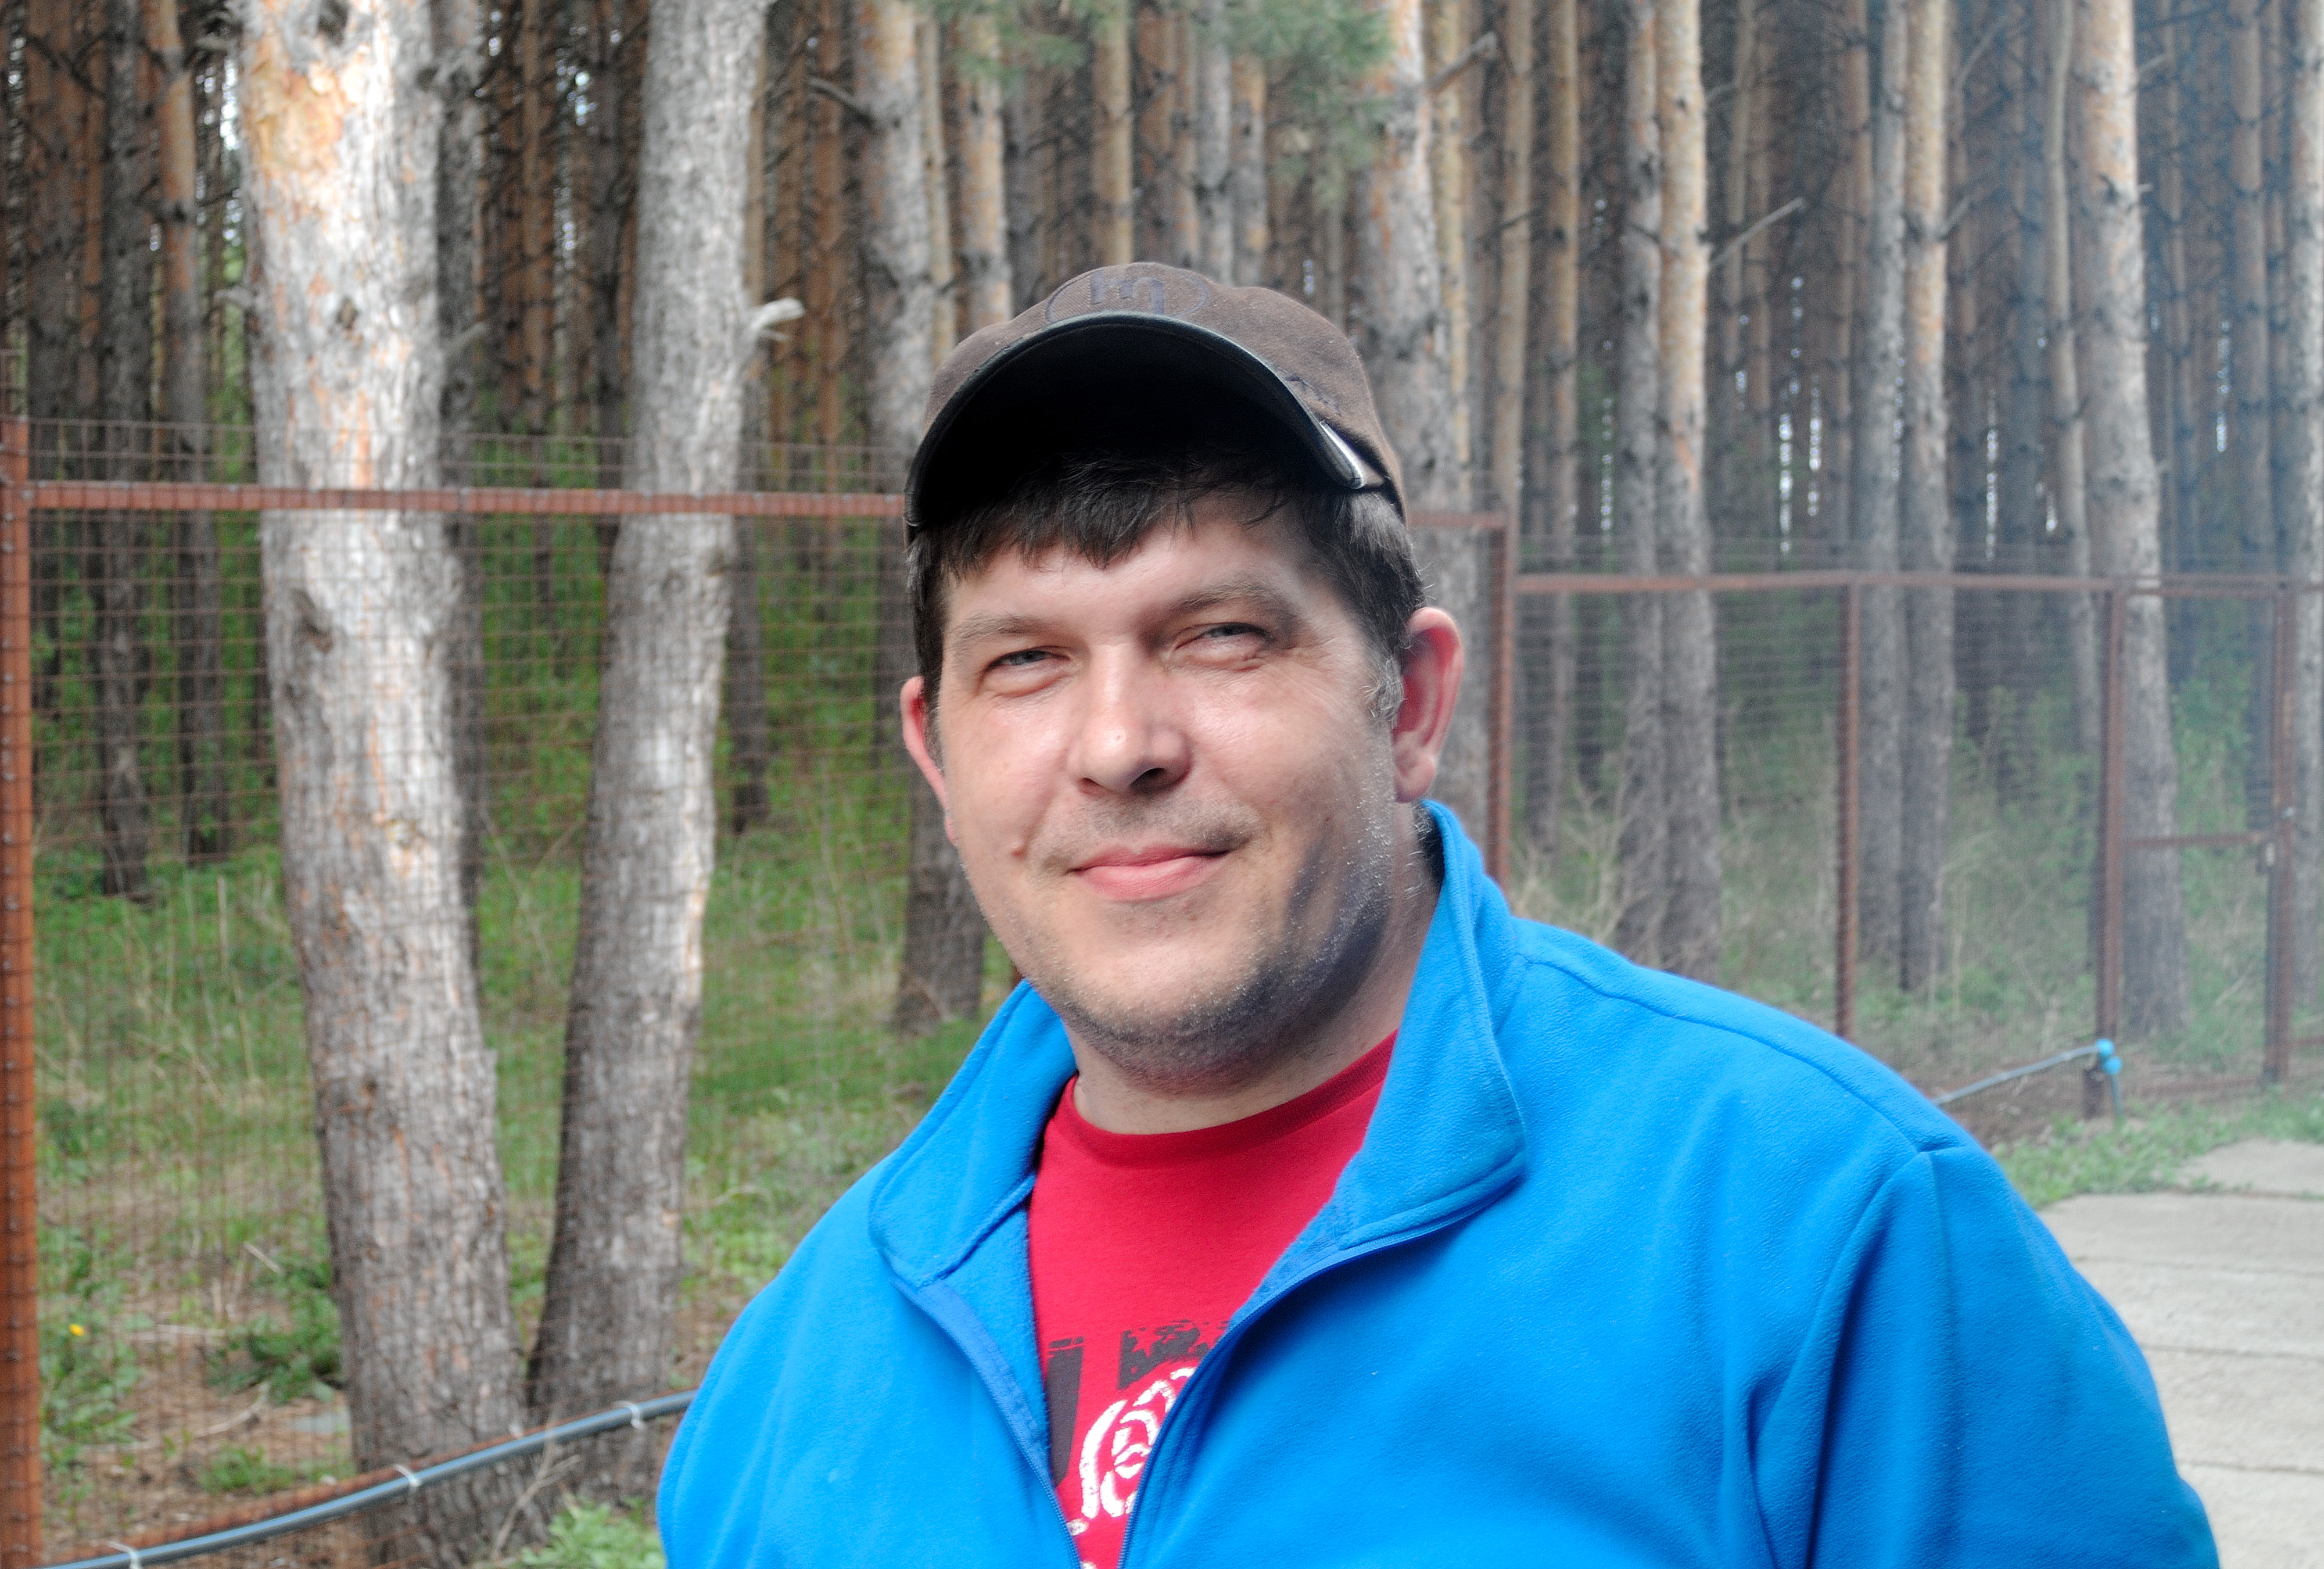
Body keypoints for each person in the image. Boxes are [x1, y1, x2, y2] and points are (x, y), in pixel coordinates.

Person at [658, 264, 2215, 1568]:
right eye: (1027, 661)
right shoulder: (800, 1377)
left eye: (1220, 634)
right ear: (937, 753)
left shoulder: (1823, 1241)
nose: (1120, 745)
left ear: (1407, 700)